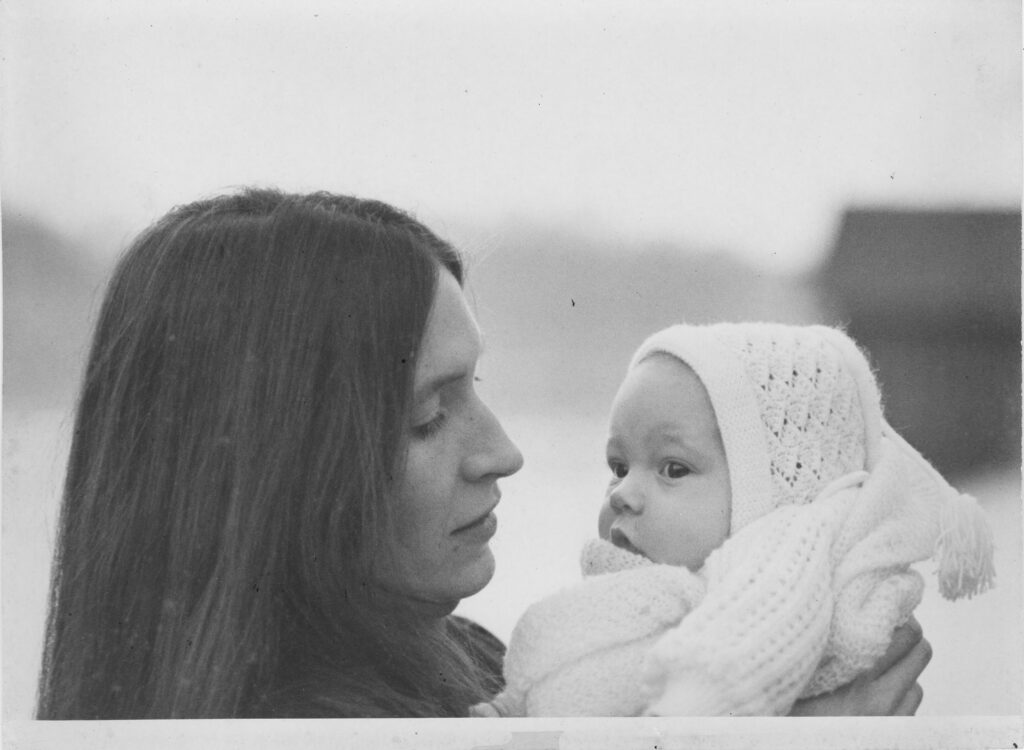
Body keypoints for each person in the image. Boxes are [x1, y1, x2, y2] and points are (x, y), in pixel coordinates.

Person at [36, 189, 932, 719]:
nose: (501, 452)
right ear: (270, 468)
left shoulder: (469, 663)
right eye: (431, 416)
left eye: (478, 388)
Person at [476, 322, 993, 717]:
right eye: (618, 466)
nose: (624, 493)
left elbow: (727, 674)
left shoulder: (783, 575)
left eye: (672, 469)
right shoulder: (637, 601)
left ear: (768, 498)